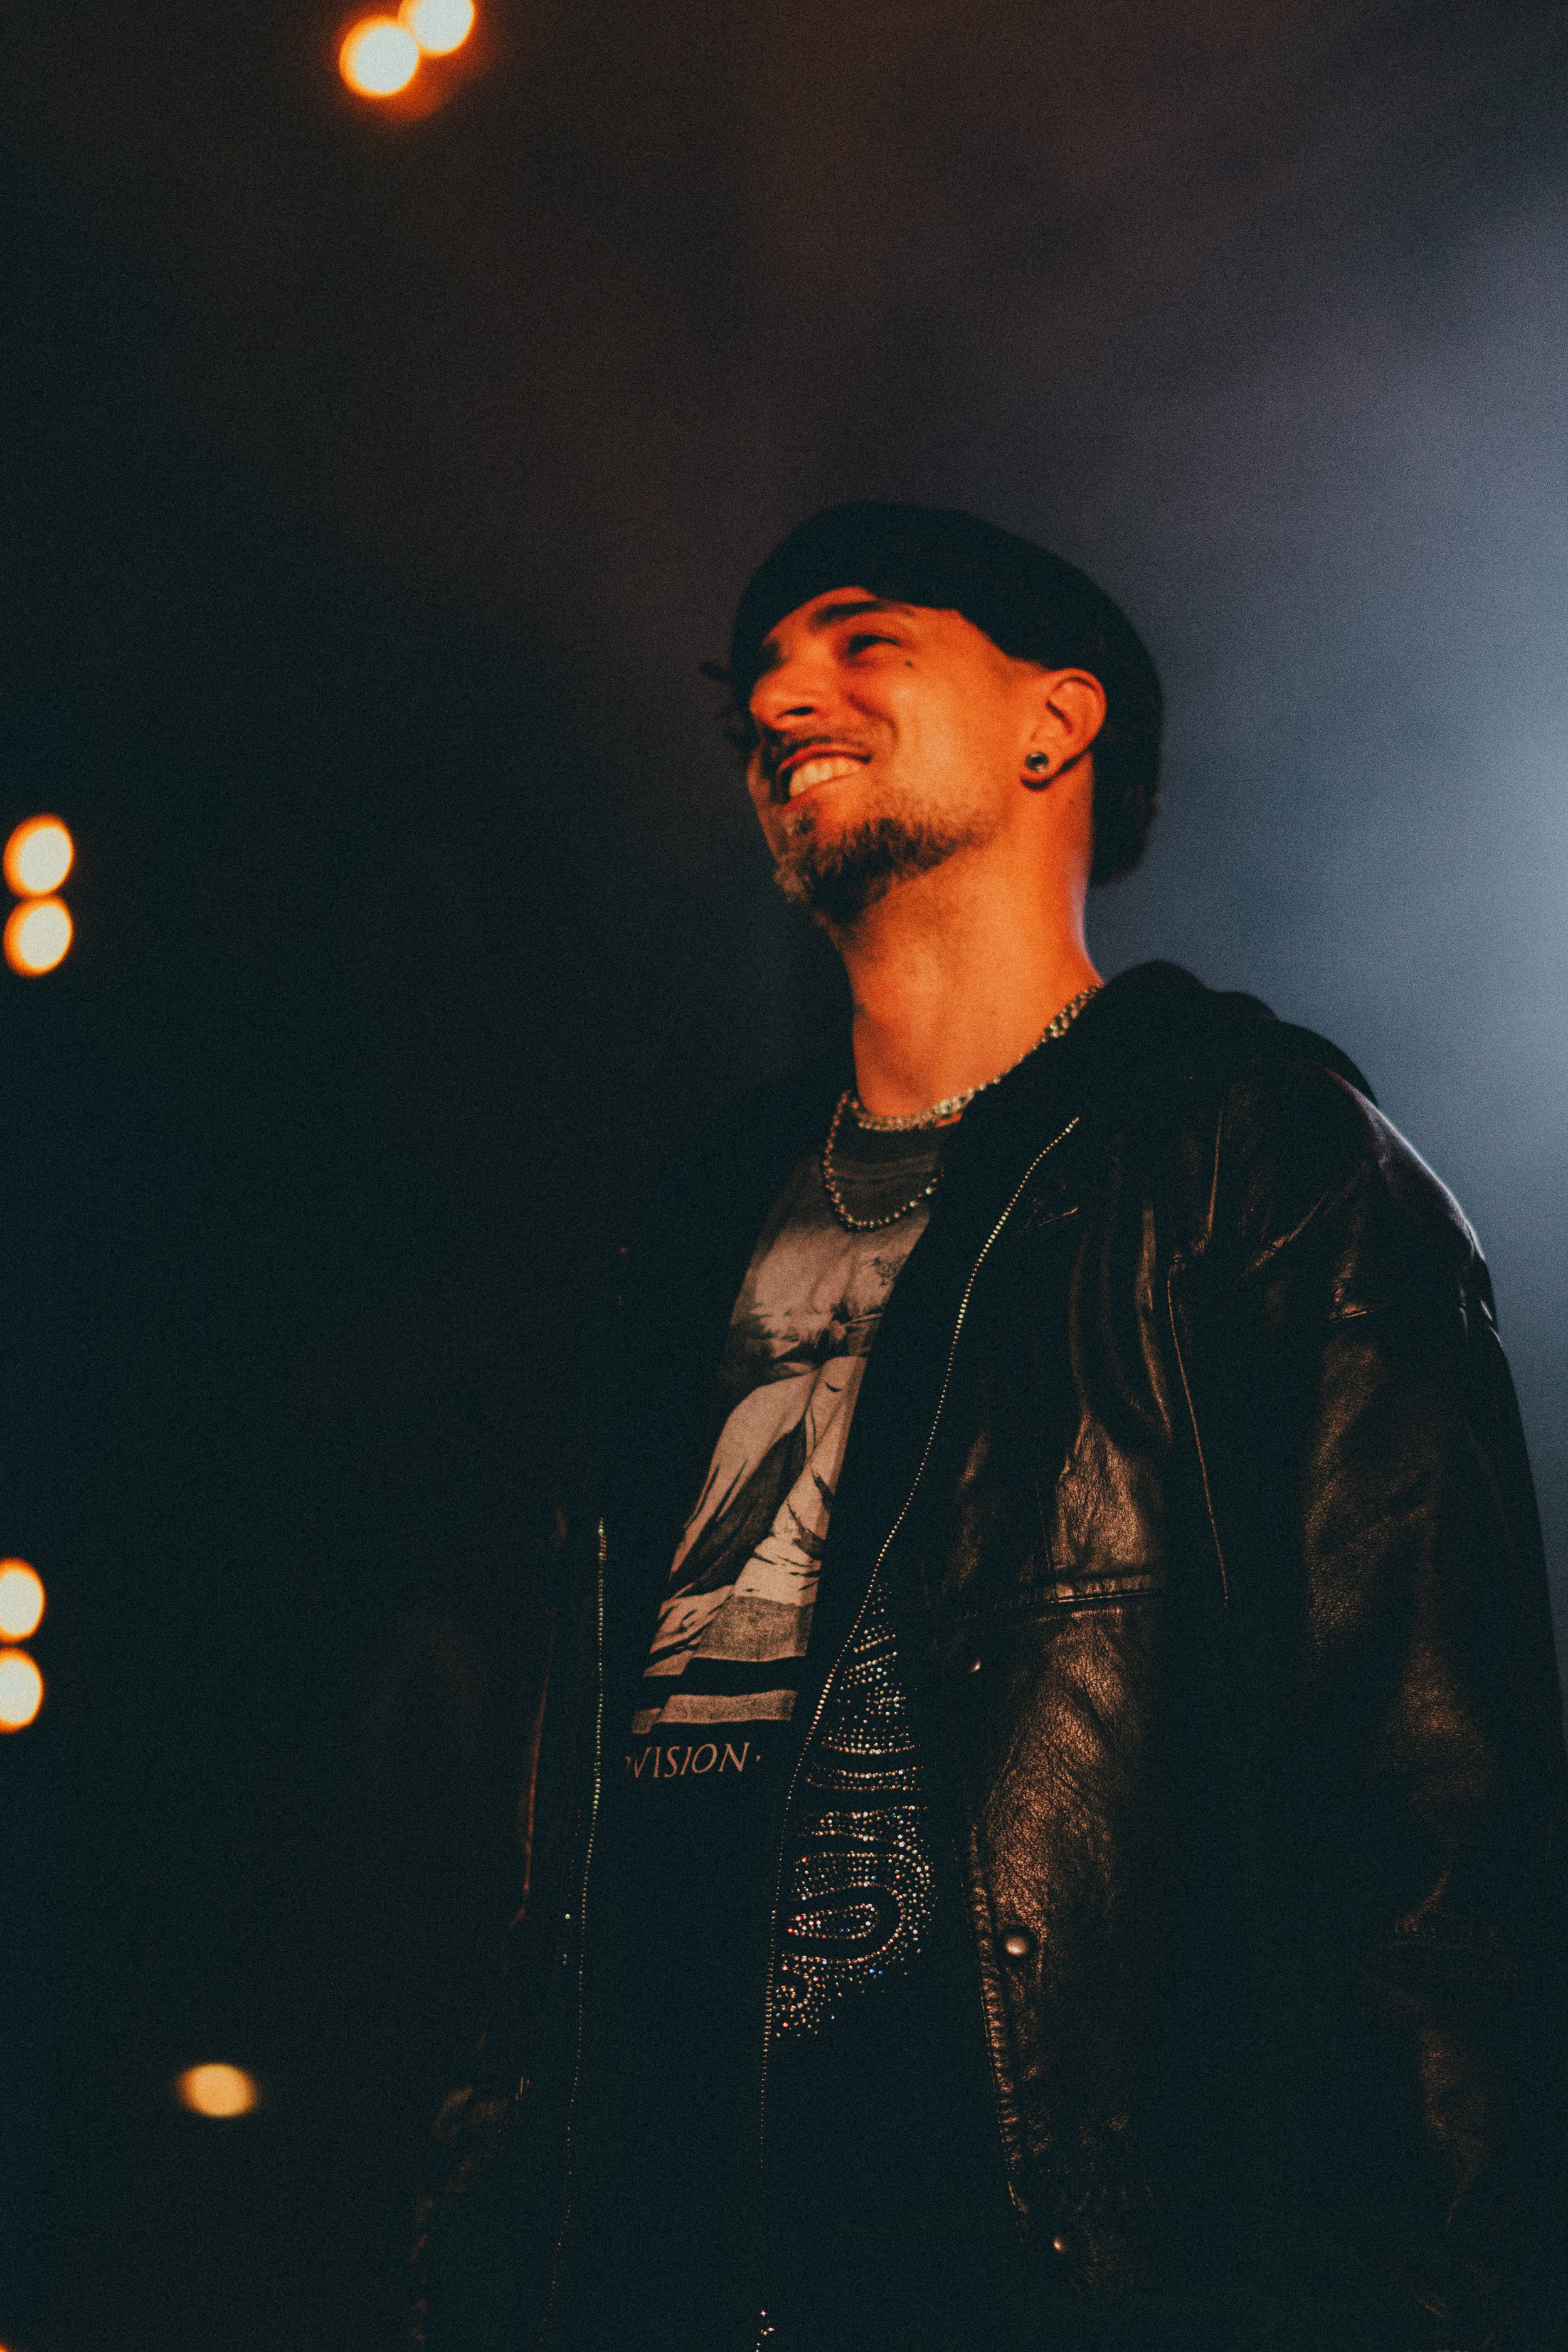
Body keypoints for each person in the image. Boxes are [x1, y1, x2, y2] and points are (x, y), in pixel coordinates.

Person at [410, 503, 1568, 2352]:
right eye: (757, 674)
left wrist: (1425, 2297)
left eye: (862, 639)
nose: (778, 697)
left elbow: (1430, 1811)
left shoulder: (1252, 1153)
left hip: (1049, 2247)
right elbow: (547, 1824)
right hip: (644, 2238)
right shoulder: (693, 1212)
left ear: (1055, 721)